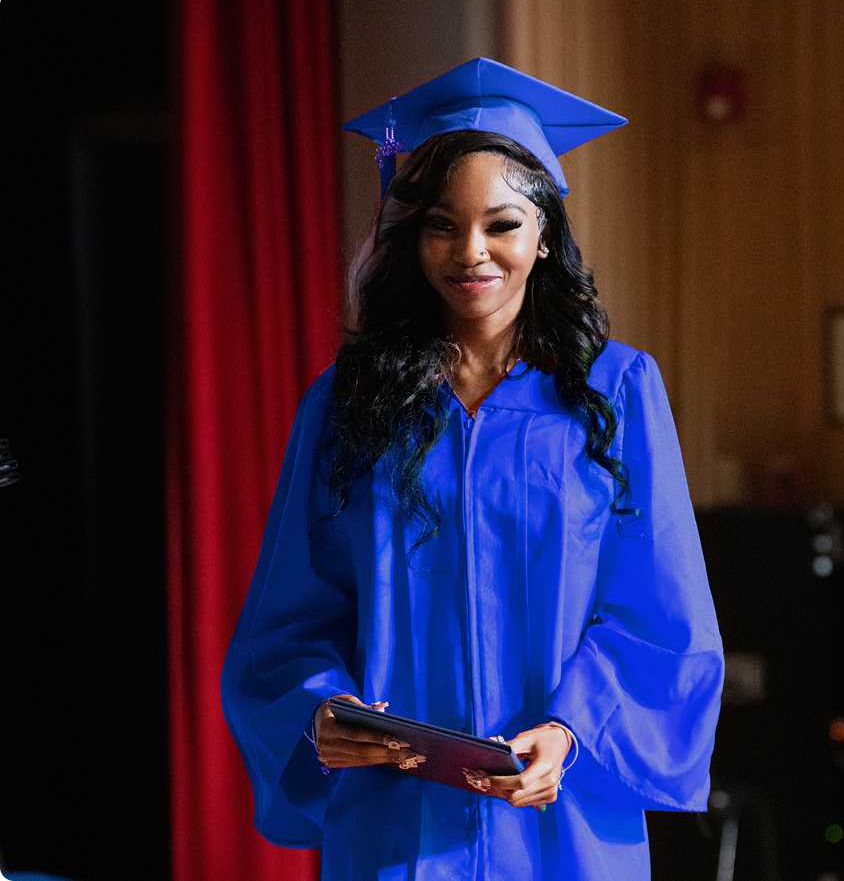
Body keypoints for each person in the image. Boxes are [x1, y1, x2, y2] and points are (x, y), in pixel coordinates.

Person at [221, 57, 725, 880]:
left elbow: (662, 619)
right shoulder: (349, 404)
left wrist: (569, 728)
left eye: (502, 224)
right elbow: (288, 617)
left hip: (562, 824)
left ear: (545, 234)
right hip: (395, 825)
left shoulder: (617, 393)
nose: (471, 253)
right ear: (411, 235)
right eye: (441, 225)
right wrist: (322, 712)